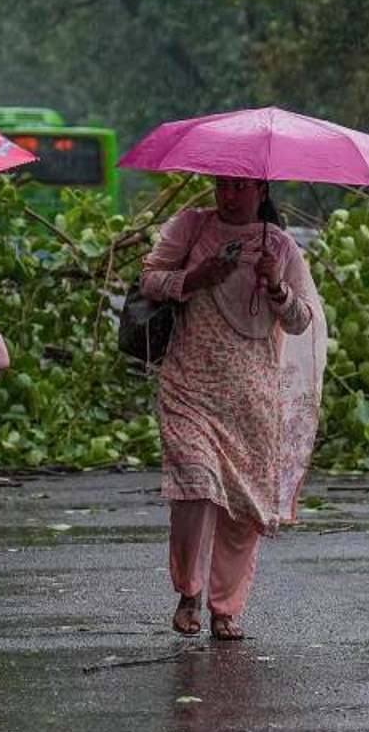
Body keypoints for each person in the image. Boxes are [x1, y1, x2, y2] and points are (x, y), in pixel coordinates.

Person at [139, 175, 325, 641]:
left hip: (252, 397)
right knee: (196, 487)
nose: (228, 195)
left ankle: (225, 609)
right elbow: (149, 280)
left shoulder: (280, 246)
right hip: (190, 387)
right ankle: (189, 592)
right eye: (222, 185)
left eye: (240, 187)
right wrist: (195, 278)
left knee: (242, 510)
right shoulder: (191, 228)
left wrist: (277, 286)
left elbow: (302, 321)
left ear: (261, 191)